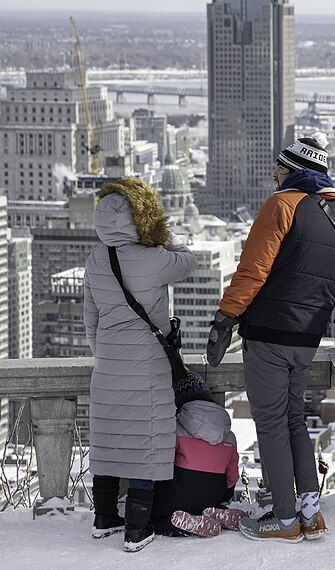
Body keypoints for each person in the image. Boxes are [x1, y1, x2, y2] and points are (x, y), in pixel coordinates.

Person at [208, 133, 335, 543]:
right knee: (295, 420)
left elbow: (253, 269)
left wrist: (226, 317)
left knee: (272, 425)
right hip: (308, 337)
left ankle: (282, 519)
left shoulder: (281, 205)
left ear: (295, 170)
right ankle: (310, 514)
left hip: (269, 333)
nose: (275, 174)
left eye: (280, 167)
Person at [84, 178, 198, 552]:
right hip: (147, 361)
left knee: (109, 439)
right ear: (142, 218)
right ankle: (136, 528)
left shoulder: (96, 258)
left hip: (108, 362)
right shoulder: (154, 258)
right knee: (145, 440)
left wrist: (105, 353)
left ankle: (104, 518)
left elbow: (90, 320)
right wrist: (164, 234)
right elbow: (189, 261)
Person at [149, 371, 247, 538]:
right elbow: (232, 476)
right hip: (212, 496)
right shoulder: (229, 436)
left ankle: (175, 523)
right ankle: (216, 512)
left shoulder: (174, 428)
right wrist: (225, 497)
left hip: (177, 495)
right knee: (207, 497)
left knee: (152, 520)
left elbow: (162, 465)